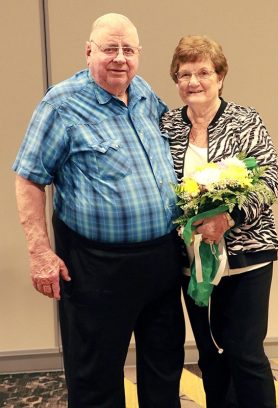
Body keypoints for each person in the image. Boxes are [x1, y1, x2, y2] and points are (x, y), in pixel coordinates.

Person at [13, 13, 185, 408]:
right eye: (110, 49)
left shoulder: (143, 94)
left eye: (128, 50)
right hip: (96, 267)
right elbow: (28, 178)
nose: (120, 58)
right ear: (88, 52)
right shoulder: (61, 105)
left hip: (161, 261)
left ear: (139, 54)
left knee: (163, 368)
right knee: (95, 378)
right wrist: (39, 251)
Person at [160, 35, 278, 408]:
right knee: (211, 356)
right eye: (184, 74)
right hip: (193, 264)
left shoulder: (245, 119)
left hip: (247, 258)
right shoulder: (167, 126)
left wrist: (229, 217)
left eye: (203, 72)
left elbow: (270, 179)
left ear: (221, 76)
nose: (193, 82)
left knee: (244, 353)